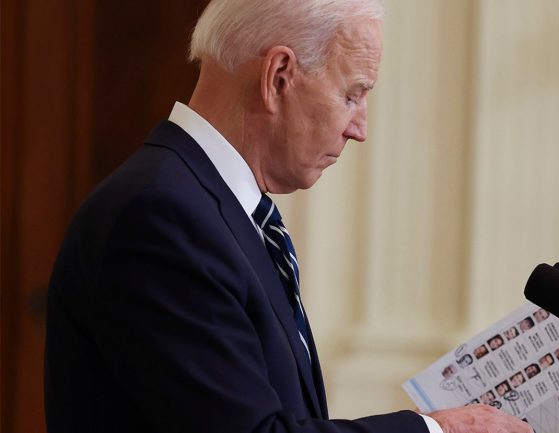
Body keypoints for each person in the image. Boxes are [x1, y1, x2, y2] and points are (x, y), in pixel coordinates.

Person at [43, 1, 533, 433]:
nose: (360, 128)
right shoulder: (161, 217)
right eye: (353, 94)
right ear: (278, 76)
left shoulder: (217, 208)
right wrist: (436, 432)